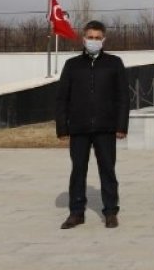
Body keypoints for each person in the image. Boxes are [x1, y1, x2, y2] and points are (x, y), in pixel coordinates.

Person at [55, 20, 129, 229]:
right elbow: (62, 98)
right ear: (83, 38)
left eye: (98, 38)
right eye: (90, 37)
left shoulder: (114, 63)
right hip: (79, 128)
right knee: (78, 170)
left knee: (107, 169)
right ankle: (76, 212)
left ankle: (110, 211)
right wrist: (62, 127)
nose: (93, 41)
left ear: (103, 40)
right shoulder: (72, 65)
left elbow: (123, 97)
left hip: (106, 127)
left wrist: (121, 125)